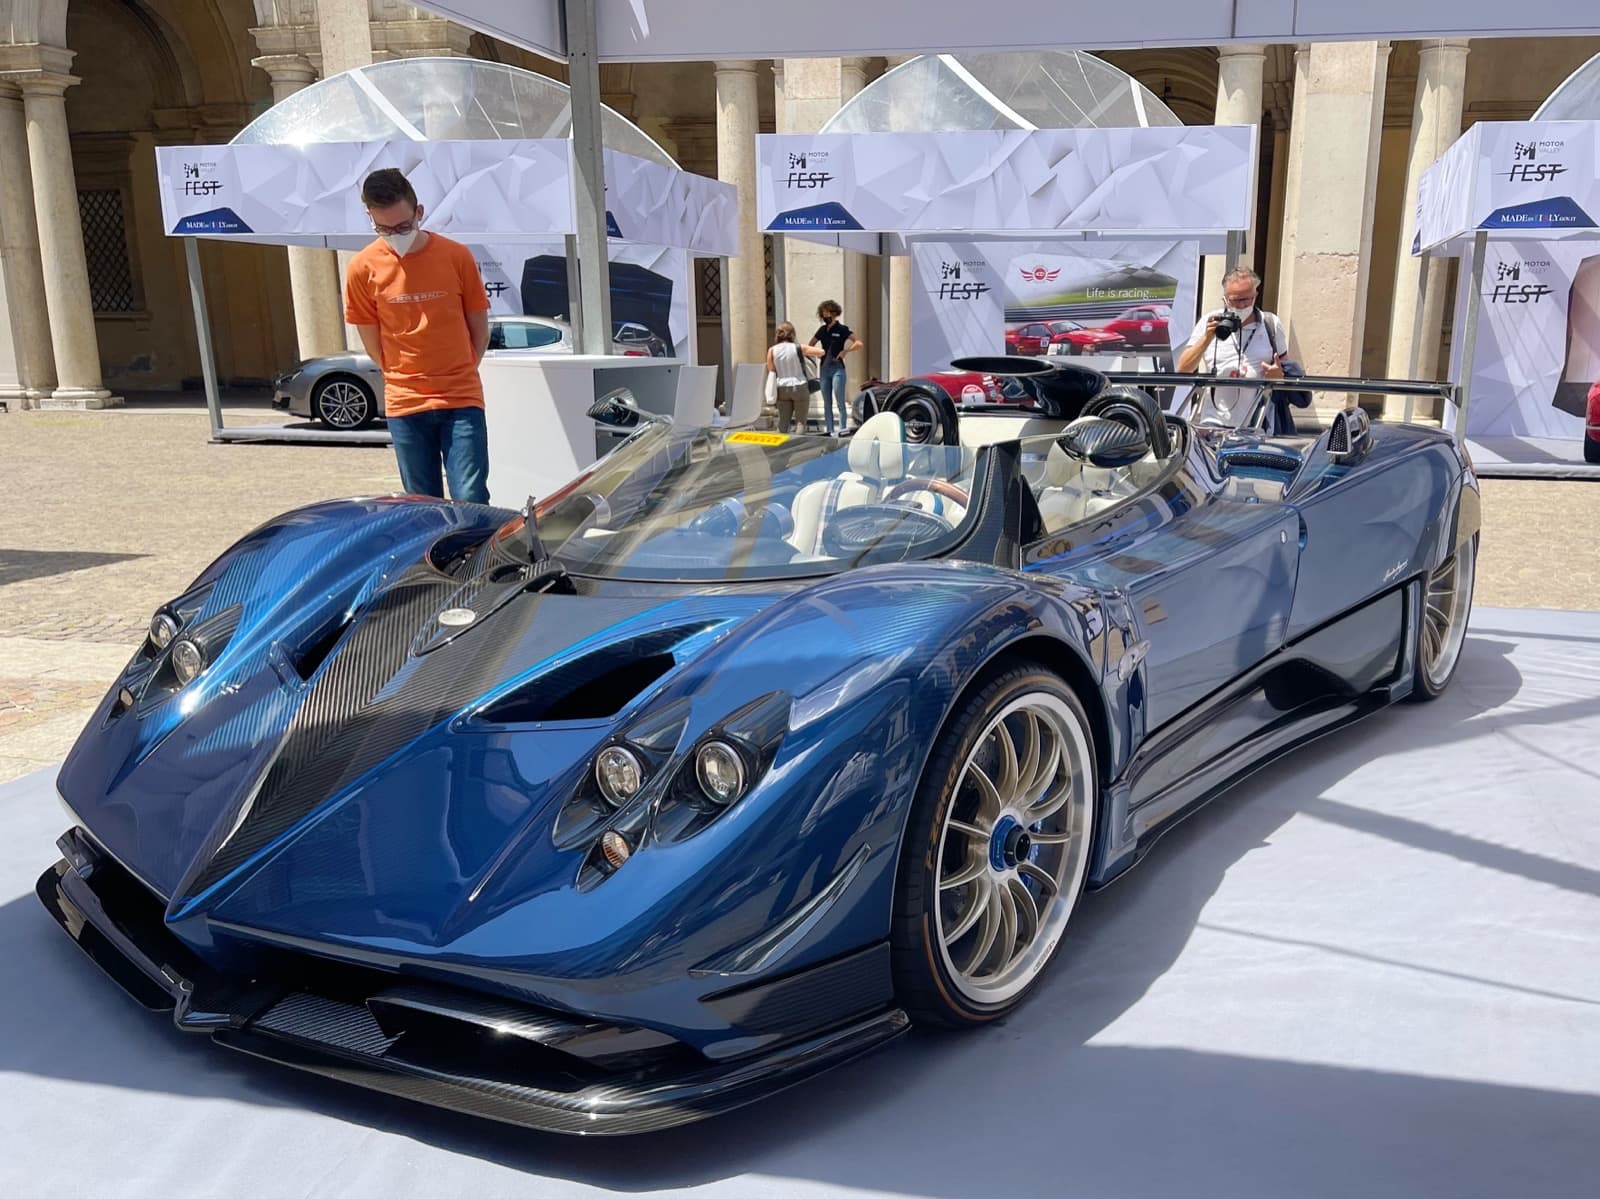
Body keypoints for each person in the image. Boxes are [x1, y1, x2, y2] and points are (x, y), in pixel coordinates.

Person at [344, 167, 492, 503]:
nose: (395, 234)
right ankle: (432, 557)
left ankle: (474, 556)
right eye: (383, 228)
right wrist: (401, 376)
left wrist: (462, 369)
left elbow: (479, 331)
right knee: (421, 503)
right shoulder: (361, 268)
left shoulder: (456, 256)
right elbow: (373, 343)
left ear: (419, 212)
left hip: (460, 397)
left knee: (470, 495)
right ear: (370, 217)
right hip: (405, 402)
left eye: (402, 226)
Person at [1177, 267, 1289, 428]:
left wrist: (1278, 376)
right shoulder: (1209, 322)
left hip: (1257, 426)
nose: (1242, 305)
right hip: (1213, 424)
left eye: (1247, 299)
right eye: (1236, 300)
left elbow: (1285, 370)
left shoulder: (1271, 324)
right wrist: (1207, 337)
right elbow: (1183, 369)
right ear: (1225, 299)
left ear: (1255, 295)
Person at [808, 299, 864, 436]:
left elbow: (858, 343)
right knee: (827, 403)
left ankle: (842, 430)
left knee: (840, 402)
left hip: (838, 368)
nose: (825, 317)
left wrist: (846, 351)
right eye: (823, 314)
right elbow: (810, 344)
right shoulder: (822, 330)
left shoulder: (842, 329)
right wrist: (817, 353)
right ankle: (829, 431)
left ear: (834, 313)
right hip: (824, 369)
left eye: (827, 313)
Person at [766, 322, 821, 433]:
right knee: (801, 422)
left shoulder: (772, 350)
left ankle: (780, 447)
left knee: (783, 422)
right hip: (800, 385)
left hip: (782, 388)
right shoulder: (799, 348)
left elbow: (771, 369)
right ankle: (798, 446)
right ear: (792, 334)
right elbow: (821, 352)